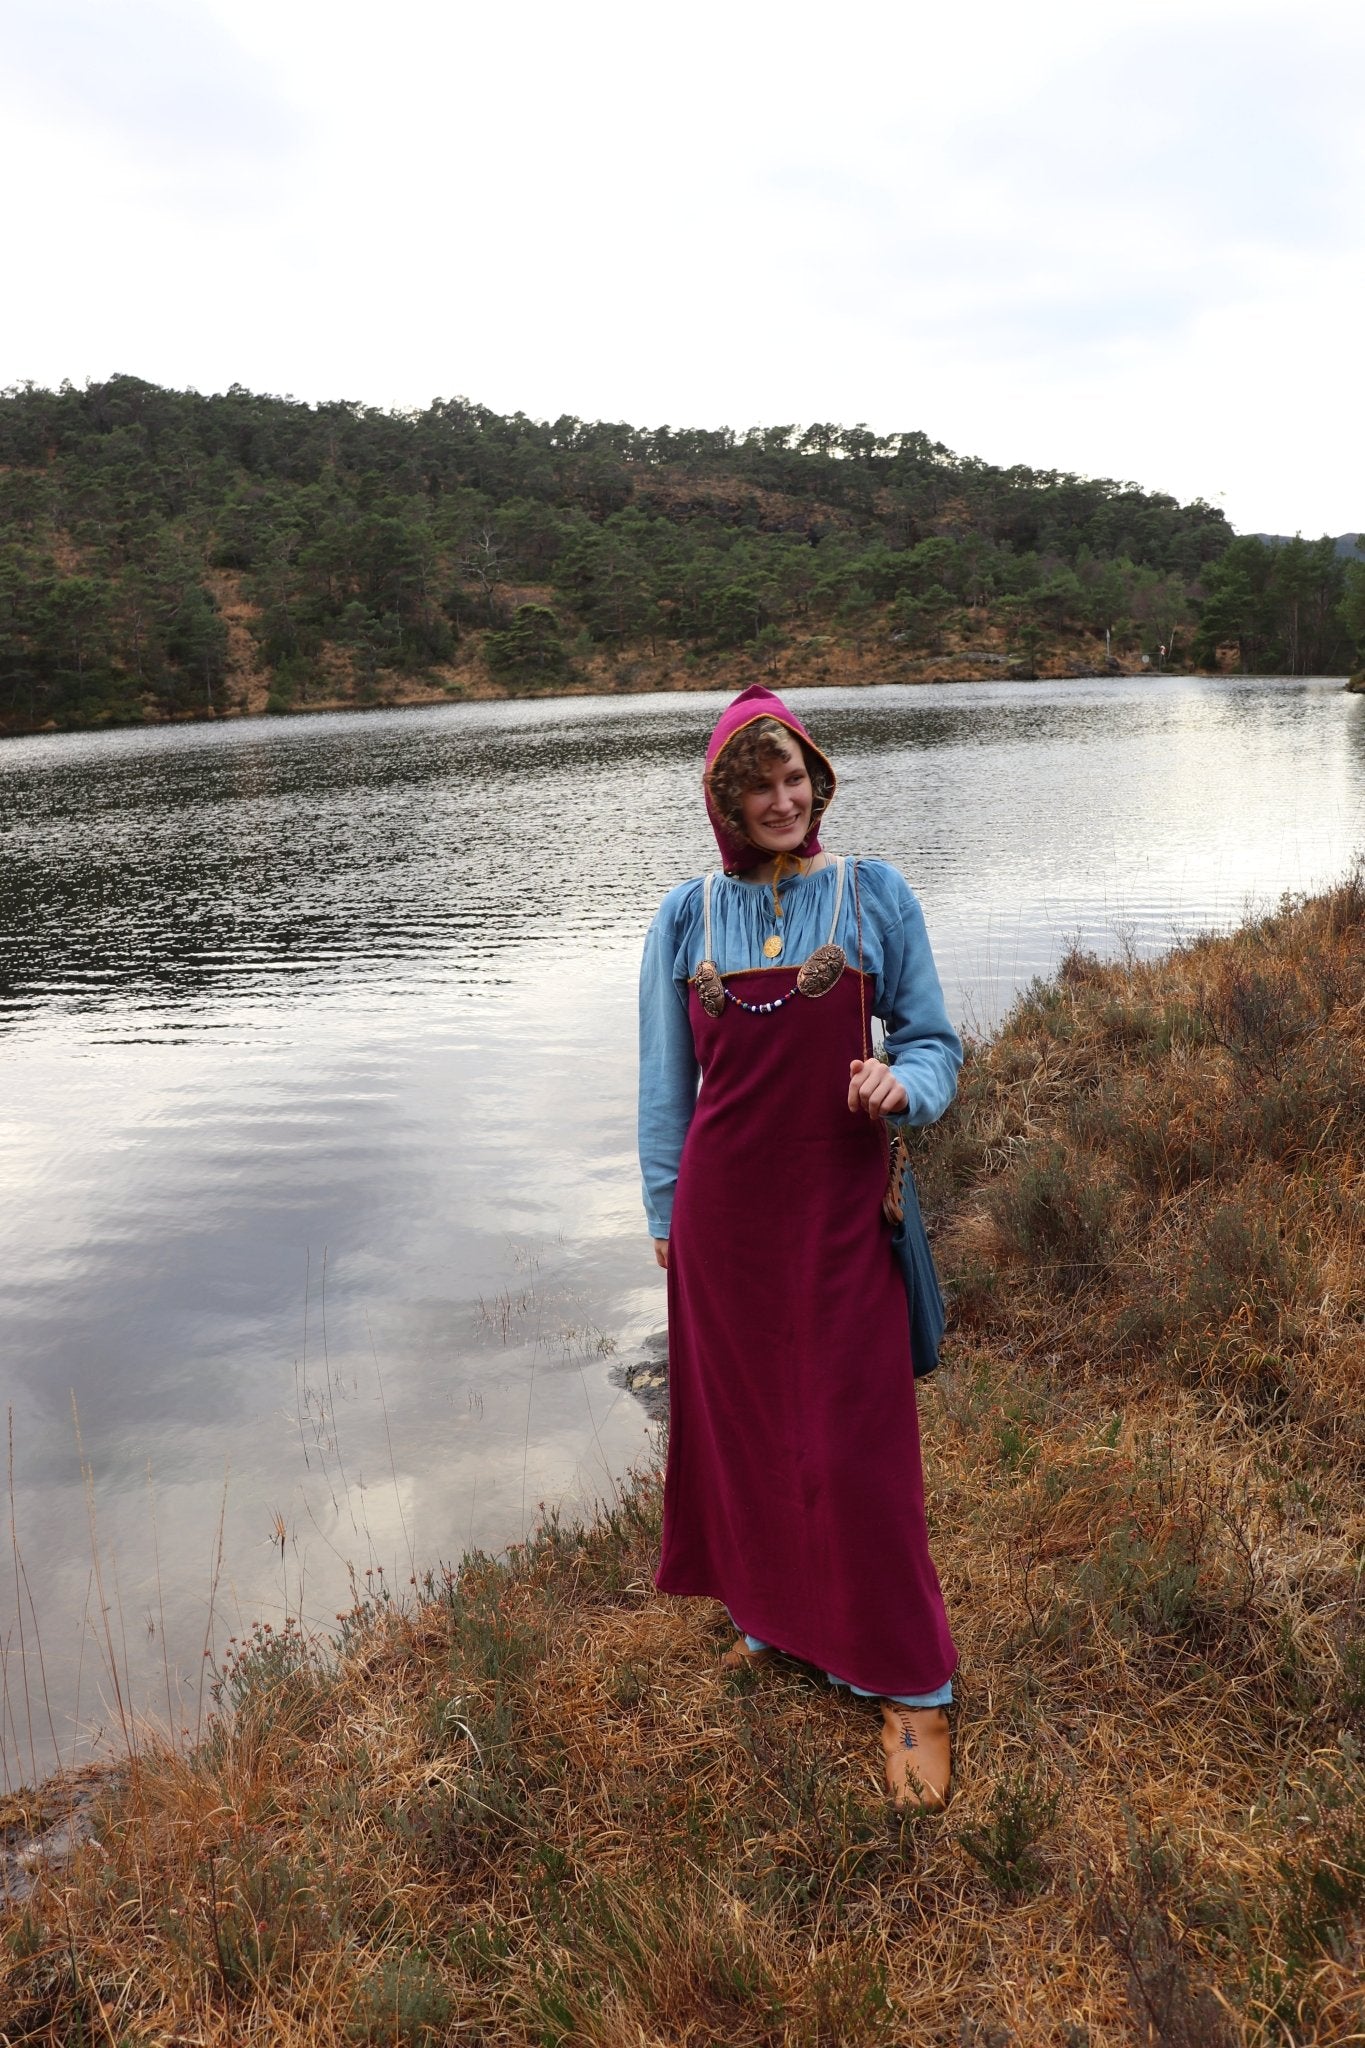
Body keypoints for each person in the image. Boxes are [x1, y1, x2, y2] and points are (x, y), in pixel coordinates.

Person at [637, 685, 963, 1809]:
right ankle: (778, 1619)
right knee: (750, 1433)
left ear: (816, 782)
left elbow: (931, 1038)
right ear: (724, 801)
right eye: (755, 785)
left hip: (838, 1207)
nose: (780, 800)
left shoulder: (874, 896)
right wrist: (666, 1213)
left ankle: (913, 1680)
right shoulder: (683, 919)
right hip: (724, 1220)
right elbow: (663, 1087)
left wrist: (902, 1082)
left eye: (794, 780)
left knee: (857, 1441)